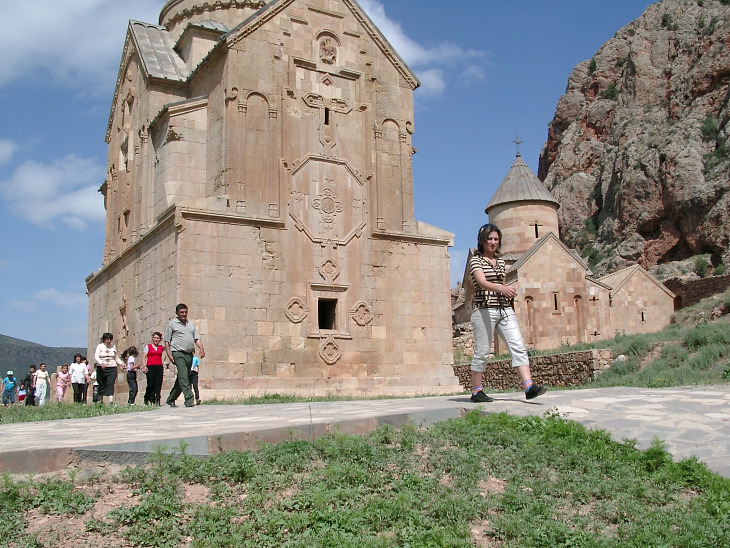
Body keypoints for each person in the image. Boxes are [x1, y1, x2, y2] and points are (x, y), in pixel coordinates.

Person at [469, 223, 546, 402]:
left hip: (503, 308)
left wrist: (507, 291)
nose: (493, 242)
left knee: (517, 346)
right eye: (489, 239)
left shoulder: (502, 262)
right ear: (482, 240)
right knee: (482, 351)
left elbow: (502, 284)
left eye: (496, 239)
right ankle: (476, 391)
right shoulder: (476, 260)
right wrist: (502, 289)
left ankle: (529, 386)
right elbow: (481, 282)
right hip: (483, 309)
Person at [165, 303, 205, 408]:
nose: (184, 314)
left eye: (185, 312)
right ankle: (189, 400)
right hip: (177, 353)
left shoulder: (190, 324)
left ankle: (171, 399)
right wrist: (169, 354)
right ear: (177, 313)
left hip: (189, 354)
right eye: (181, 312)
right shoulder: (172, 324)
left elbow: (196, 338)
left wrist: (201, 349)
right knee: (183, 377)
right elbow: (167, 341)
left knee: (182, 378)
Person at [94, 333, 124, 404]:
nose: (109, 341)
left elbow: (116, 357)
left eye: (110, 339)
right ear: (104, 339)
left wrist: (121, 363)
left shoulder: (113, 346)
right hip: (102, 368)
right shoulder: (100, 346)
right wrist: (101, 363)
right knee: (102, 383)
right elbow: (96, 356)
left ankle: (111, 401)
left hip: (112, 367)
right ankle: (101, 400)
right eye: (107, 339)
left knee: (111, 383)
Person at [142, 332, 164, 405]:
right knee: (150, 384)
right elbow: (144, 356)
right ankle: (147, 397)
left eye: (157, 338)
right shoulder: (148, 347)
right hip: (150, 367)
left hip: (159, 367)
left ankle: (157, 399)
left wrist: (163, 338)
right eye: (154, 337)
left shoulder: (161, 347)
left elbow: (169, 344)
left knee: (158, 383)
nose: (156, 339)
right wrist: (144, 366)